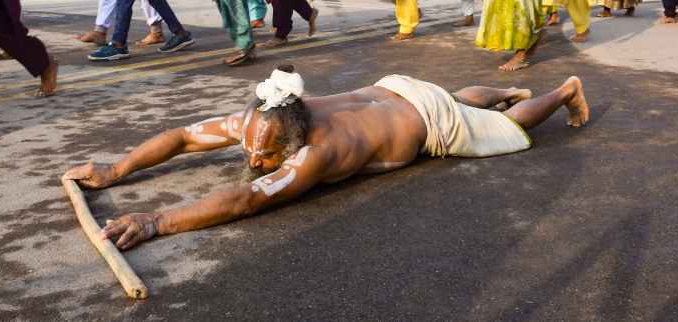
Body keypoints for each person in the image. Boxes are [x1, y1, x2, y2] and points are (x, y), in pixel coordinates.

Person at [63, 65, 589, 250]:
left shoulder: (315, 151)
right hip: (397, 88)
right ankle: (500, 90)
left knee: (503, 129)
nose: (254, 160)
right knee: (450, 94)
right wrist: (116, 169)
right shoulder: (261, 116)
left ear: (294, 143)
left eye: (268, 157)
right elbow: (181, 136)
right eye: (251, 148)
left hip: (429, 124)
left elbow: (246, 201)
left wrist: (156, 221)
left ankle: (562, 91)